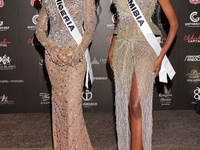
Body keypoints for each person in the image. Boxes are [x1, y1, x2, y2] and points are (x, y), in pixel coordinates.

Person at [108, 0, 178, 150]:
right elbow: (120, 21)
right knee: (127, 104)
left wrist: (160, 57)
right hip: (122, 47)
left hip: (145, 47)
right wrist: (112, 48)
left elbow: (174, 24)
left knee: (135, 104)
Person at [35, 0, 96, 149]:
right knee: (60, 106)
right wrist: (50, 47)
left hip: (75, 57)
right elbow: (39, 29)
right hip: (52, 58)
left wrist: (79, 52)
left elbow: (89, 30)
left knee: (72, 107)